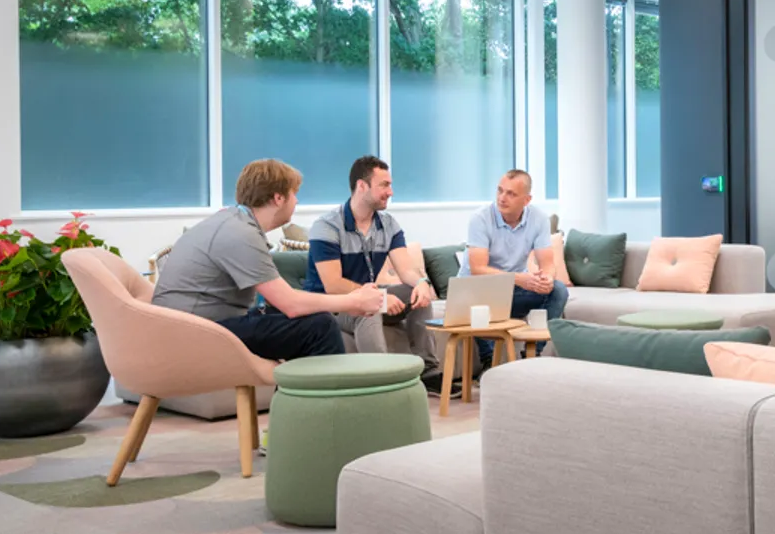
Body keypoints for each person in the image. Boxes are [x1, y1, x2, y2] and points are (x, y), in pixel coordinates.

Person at [152, 159, 381, 361]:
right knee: (319, 327)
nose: (297, 201)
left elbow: (281, 300)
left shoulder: (232, 223)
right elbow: (290, 304)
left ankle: (294, 406)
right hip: (195, 332)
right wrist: (354, 302)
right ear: (278, 198)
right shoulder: (240, 234)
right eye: (294, 193)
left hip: (195, 324)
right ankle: (327, 408)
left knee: (311, 318)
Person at [305, 156, 439, 383]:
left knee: (417, 295)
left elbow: (406, 270)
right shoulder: (326, 226)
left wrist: (422, 283)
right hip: (330, 306)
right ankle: (382, 381)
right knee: (369, 308)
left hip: (368, 295)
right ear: (362, 186)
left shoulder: (388, 225)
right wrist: (381, 297)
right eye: (384, 185)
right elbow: (333, 284)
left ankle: (429, 371)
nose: (391, 192)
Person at [462, 168, 567, 366]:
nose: (502, 198)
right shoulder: (480, 218)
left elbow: (547, 264)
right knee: (477, 299)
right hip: (477, 293)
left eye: (511, 193)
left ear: (527, 200)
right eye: (500, 190)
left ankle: (531, 356)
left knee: (558, 290)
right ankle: (489, 364)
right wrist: (520, 279)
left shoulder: (538, 219)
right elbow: (477, 269)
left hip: (511, 292)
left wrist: (547, 279)